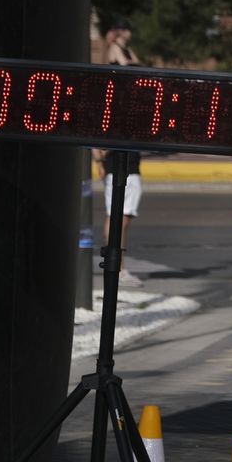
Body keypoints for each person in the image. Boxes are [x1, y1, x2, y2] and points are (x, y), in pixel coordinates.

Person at [97, 22, 143, 287]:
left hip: (127, 160)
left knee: (122, 214)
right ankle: (119, 267)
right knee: (117, 216)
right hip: (118, 163)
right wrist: (99, 158)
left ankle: (119, 265)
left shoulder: (123, 50)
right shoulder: (115, 52)